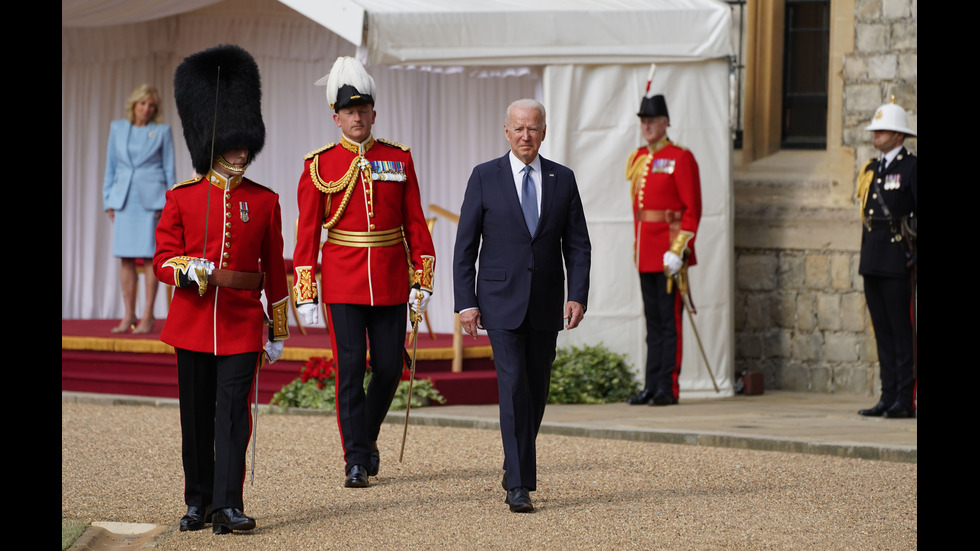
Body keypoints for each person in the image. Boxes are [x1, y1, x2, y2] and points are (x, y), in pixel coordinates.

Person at [154, 44, 290, 535]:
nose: (240, 152)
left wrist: (278, 329)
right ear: (213, 142)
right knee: (196, 420)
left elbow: (276, 270)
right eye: (232, 144)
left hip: (240, 326)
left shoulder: (266, 201)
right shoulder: (182, 199)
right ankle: (198, 501)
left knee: (234, 418)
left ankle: (228, 505)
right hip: (192, 324)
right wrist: (189, 268)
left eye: (244, 145)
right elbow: (162, 262)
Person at [293, 56, 435, 488]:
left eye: (364, 110)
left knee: (390, 367)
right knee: (351, 369)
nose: (358, 117)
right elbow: (306, 233)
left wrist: (422, 278)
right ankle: (355, 458)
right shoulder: (318, 165)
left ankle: (366, 437)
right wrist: (305, 289)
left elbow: (415, 223)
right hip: (342, 281)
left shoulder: (399, 158)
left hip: (392, 280)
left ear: (374, 112)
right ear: (336, 117)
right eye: (349, 111)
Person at [453, 98, 591, 513]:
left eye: (533, 128)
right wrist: (466, 303)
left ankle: (512, 461)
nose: (526, 135)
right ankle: (520, 484)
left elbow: (578, 245)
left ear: (543, 132)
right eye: (518, 128)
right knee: (513, 386)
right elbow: (465, 247)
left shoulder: (562, 179)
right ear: (506, 131)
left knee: (537, 390)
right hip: (499, 302)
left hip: (547, 302)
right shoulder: (484, 177)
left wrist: (578, 294)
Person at [624, 88, 702, 407]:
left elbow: (692, 209)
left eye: (652, 120)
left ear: (666, 122)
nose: (647, 126)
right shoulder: (640, 159)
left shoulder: (681, 158)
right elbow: (638, 211)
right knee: (652, 323)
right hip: (646, 253)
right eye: (643, 120)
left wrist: (679, 248)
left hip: (669, 253)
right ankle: (651, 384)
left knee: (670, 324)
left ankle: (668, 387)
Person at [856, 97, 917, 419]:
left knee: (901, 331)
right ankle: (887, 394)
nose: (875, 135)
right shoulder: (872, 169)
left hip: (897, 259)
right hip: (874, 258)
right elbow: (866, 218)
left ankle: (904, 399)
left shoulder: (911, 167)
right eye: (875, 131)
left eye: (882, 131)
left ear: (898, 135)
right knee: (882, 331)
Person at [103, 83, 175, 334]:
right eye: (142, 103)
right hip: (123, 199)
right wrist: (108, 200)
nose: (146, 109)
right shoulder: (117, 128)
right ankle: (128, 315)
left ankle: (148, 316)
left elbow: (169, 170)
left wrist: (167, 203)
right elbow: (111, 167)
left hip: (151, 202)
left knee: (148, 258)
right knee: (125, 257)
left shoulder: (162, 131)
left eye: (151, 105)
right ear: (134, 104)